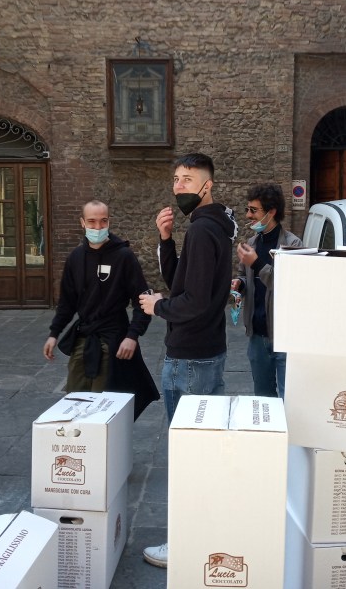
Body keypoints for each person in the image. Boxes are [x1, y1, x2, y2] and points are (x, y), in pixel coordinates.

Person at [139, 152, 237, 569]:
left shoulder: (202, 230)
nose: (179, 186)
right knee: (204, 451)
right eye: (176, 178)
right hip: (208, 352)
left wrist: (157, 307)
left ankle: (185, 544)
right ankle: (208, 536)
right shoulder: (212, 226)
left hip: (190, 358)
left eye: (187, 179)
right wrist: (165, 240)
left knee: (188, 458)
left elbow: (189, 301)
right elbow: (181, 281)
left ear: (207, 185)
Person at [42, 201, 157, 416]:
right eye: (92, 222)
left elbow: (142, 301)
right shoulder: (75, 258)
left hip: (113, 338)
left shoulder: (124, 256)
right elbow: (67, 303)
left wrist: (132, 336)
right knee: (74, 401)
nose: (97, 227)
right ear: (82, 223)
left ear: (109, 222)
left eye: (103, 221)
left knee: (102, 407)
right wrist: (54, 334)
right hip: (84, 337)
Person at [231, 182, 302, 398]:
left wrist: (257, 263)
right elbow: (244, 275)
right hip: (257, 336)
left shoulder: (293, 245)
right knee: (263, 400)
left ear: (271, 212)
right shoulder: (252, 242)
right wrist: (239, 283)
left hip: (285, 338)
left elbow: (289, 286)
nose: (248, 215)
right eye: (247, 209)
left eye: (253, 210)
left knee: (289, 400)